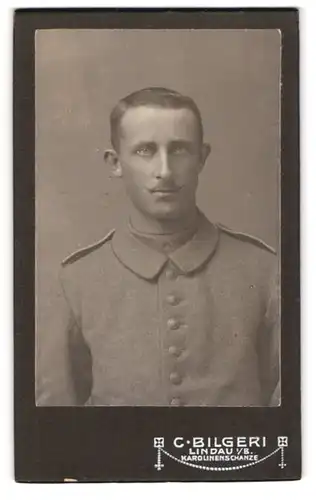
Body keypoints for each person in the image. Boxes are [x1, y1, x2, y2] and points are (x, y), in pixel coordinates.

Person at [36, 87, 280, 407]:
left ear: (202, 158)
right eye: (145, 150)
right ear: (115, 162)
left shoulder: (263, 269)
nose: (164, 171)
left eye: (179, 150)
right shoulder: (75, 280)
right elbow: (55, 418)